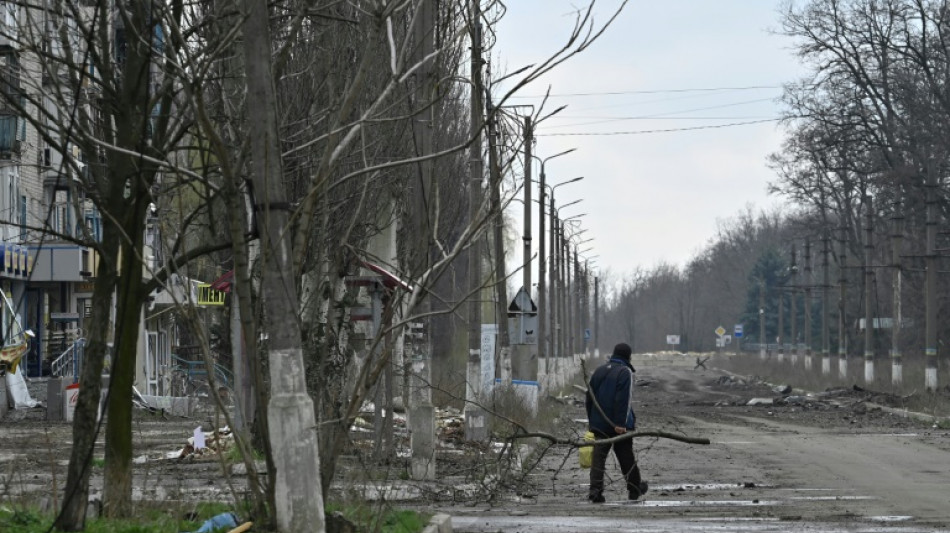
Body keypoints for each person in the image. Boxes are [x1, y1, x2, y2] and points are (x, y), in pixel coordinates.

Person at [585, 342, 648, 503]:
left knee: (598, 458)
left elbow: (589, 398)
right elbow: (623, 400)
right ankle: (634, 489)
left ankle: (595, 492)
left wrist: (592, 421)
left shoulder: (599, 371)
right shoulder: (624, 372)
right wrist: (620, 423)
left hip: (599, 423)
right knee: (626, 457)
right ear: (628, 357)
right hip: (618, 426)